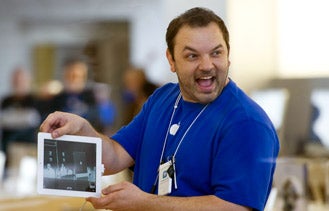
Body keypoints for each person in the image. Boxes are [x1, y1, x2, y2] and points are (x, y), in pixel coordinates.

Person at [40, 7, 279, 211]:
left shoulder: (246, 123)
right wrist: (84, 131)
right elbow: (114, 157)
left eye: (216, 53)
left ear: (228, 55)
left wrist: (145, 203)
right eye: (192, 56)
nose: (207, 65)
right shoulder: (163, 99)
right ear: (171, 60)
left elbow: (236, 207)